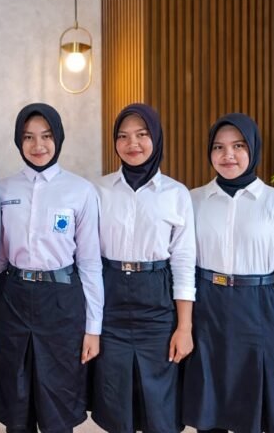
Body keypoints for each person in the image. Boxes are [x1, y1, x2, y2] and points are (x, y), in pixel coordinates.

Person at [0, 103, 103, 433]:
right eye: (28, 137)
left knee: (57, 401)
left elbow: (90, 263)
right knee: (16, 399)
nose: (38, 145)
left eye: (46, 136)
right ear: (18, 141)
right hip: (13, 299)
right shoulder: (2, 190)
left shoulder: (80, 191)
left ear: (58, 138)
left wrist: (93, 328)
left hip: (62, 302)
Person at [182, 113, 274, 433]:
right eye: (219, 147)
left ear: (253, 148)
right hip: (207, 308)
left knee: (252, 409)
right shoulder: (193, 200)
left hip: (258, 309)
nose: (228, 155)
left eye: (238, 146)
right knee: (209, 403)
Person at [91, 103, 196, 432]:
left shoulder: (176, 194)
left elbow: (183, 263)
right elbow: (88, 257)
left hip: (156, 299)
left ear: (157, 138)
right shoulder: (98, 190)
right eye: (123, 136)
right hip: (110, 298)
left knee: (160, 403)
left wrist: (184, 327)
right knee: (115, 398)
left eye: (141, 134)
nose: (132, 143)